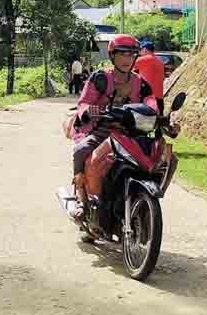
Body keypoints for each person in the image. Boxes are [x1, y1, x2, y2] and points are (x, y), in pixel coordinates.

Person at [70, 34, 157, 217]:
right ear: (112, 56)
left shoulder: (140, 83)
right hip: (100, 130)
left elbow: (151, 102)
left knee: (159, 156)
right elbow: (84, 102)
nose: (127, 59)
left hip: (128, 133)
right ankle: (81, 196)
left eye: (131, 55)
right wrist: (88, 111)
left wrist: (157, 115)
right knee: (81, 149)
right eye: (122, 54)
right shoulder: (100, 78)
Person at [134, 40, 166, 114]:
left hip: (148, 100)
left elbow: (127, 69)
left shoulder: (142, 60)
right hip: (159, 99)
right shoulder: (160, 61)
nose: (139, 52)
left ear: (144, 49)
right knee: (159, 121)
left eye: (140, 50)